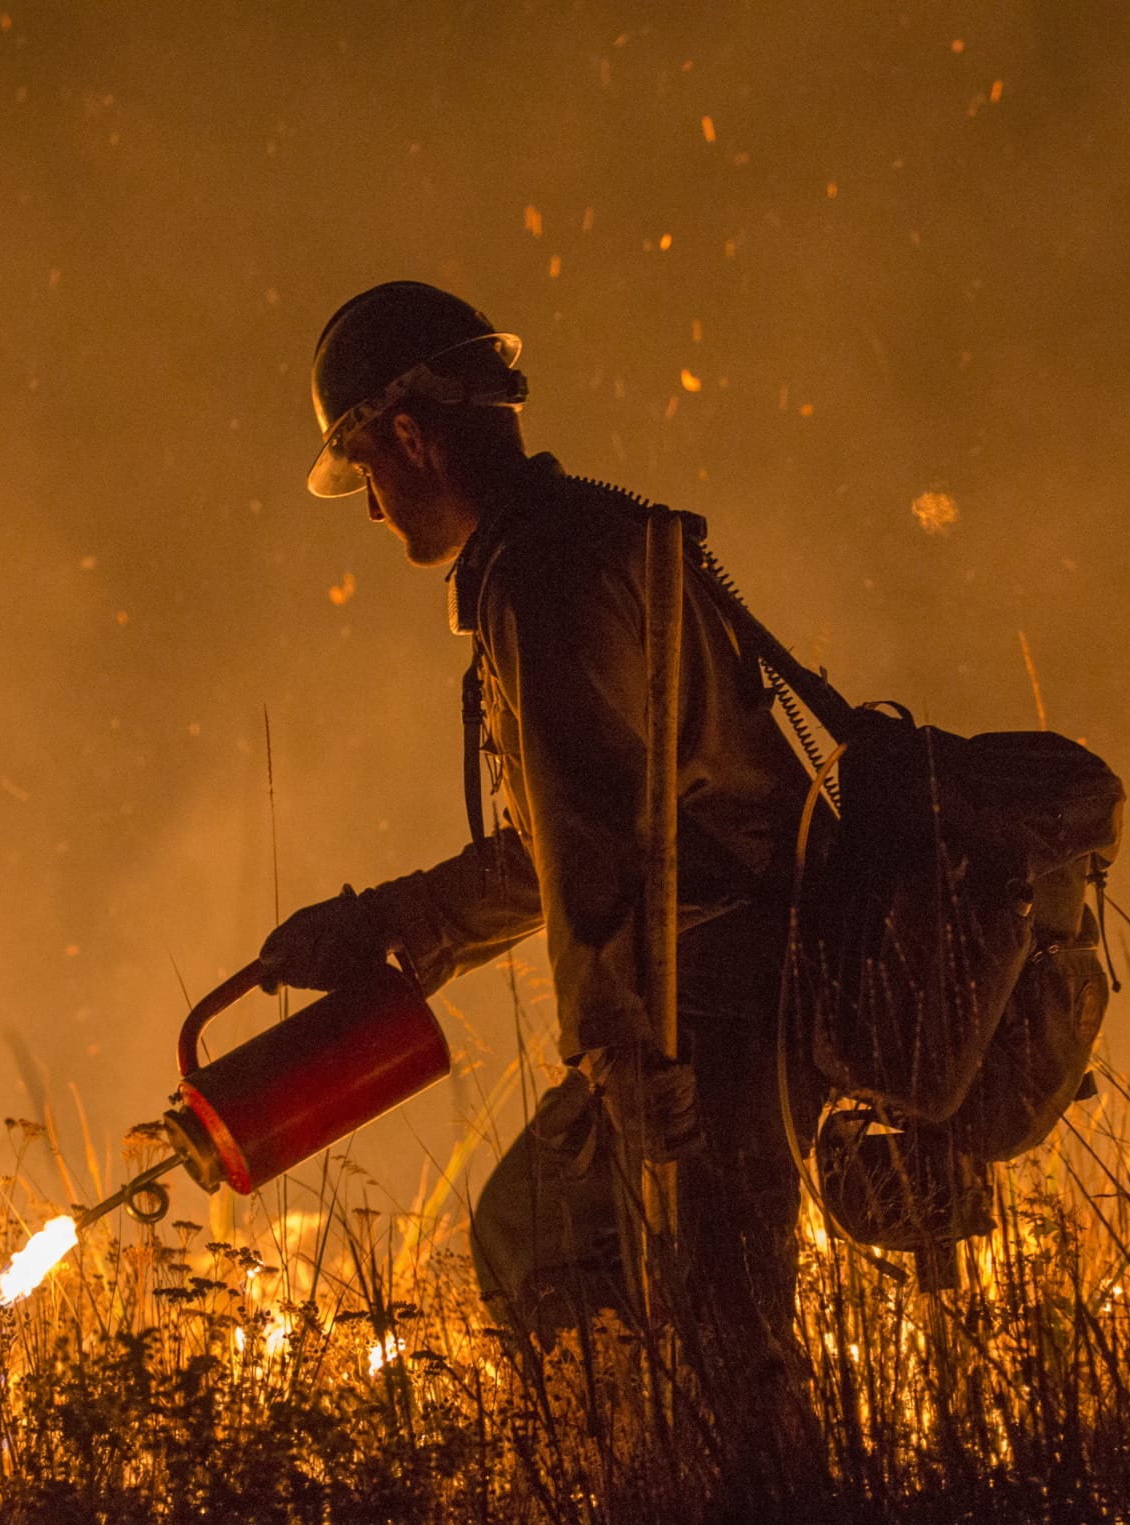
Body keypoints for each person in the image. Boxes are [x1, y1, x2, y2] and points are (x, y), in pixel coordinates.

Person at [256, 280, 815, 1416]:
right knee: (602, 1263)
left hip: (705, 998)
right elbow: (566, 843)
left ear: (409, 436)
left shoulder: (544, 579)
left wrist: (621, 1051)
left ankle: (677, 1520)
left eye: (364, 470)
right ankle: (678, 1501)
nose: (369, 508)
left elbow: (602, 840)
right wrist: (387, 929)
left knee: (623, 1283)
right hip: (738, 973)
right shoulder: (583, 548)